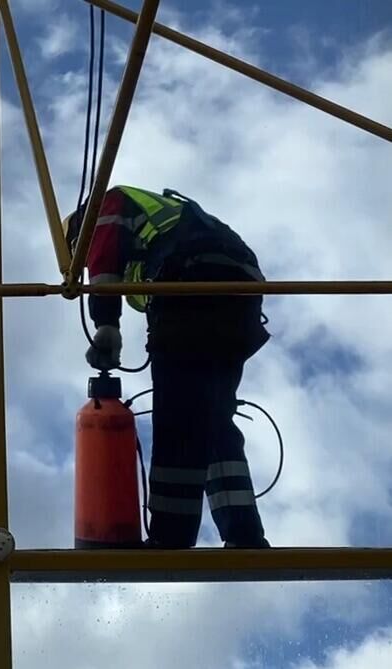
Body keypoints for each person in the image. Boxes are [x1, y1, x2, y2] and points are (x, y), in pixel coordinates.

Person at [63, 185, 271, 549]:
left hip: (192, 285)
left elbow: (104, 256)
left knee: (178, 418)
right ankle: (245, 536)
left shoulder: (106, 208)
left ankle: (171, 537)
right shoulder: (169, 227)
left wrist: (106, 324)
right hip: (239, 298)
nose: (87, 264)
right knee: (214, 423)